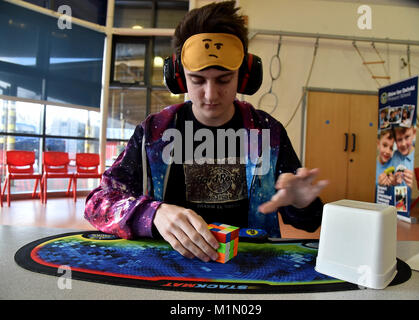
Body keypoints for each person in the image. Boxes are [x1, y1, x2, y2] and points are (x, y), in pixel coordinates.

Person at [84, 1, 328, 263]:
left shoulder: (268, 133)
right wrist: (152, 213)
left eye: (224, 79)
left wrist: (303, 204)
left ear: (244, 75)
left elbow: (308, 222)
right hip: (169, 267)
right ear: (178, 76)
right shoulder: (154, 133)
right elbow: (97, 204)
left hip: (250, 268)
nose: (210, 95)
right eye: (197, 80)